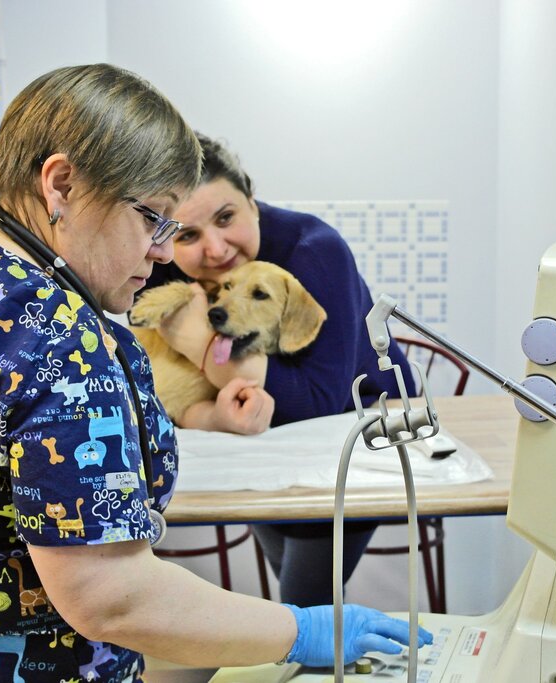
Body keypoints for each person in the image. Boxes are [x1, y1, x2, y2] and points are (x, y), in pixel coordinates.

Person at [0, 64, 428, 682]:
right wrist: (299, 630)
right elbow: (111, 596)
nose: (167, 253)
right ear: (61, 184)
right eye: (154, 220)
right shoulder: (61, 345)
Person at [143, 133, 416, 607]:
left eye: (226, 217)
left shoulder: (316, 251)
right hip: (259, 440)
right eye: (187, 234)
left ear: (251, 197)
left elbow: (316, 403)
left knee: (303, 600)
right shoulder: (169, 265)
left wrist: (196, 342)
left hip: (362, 430)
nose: (215, 249)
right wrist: (203, 414)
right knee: (297, 591)